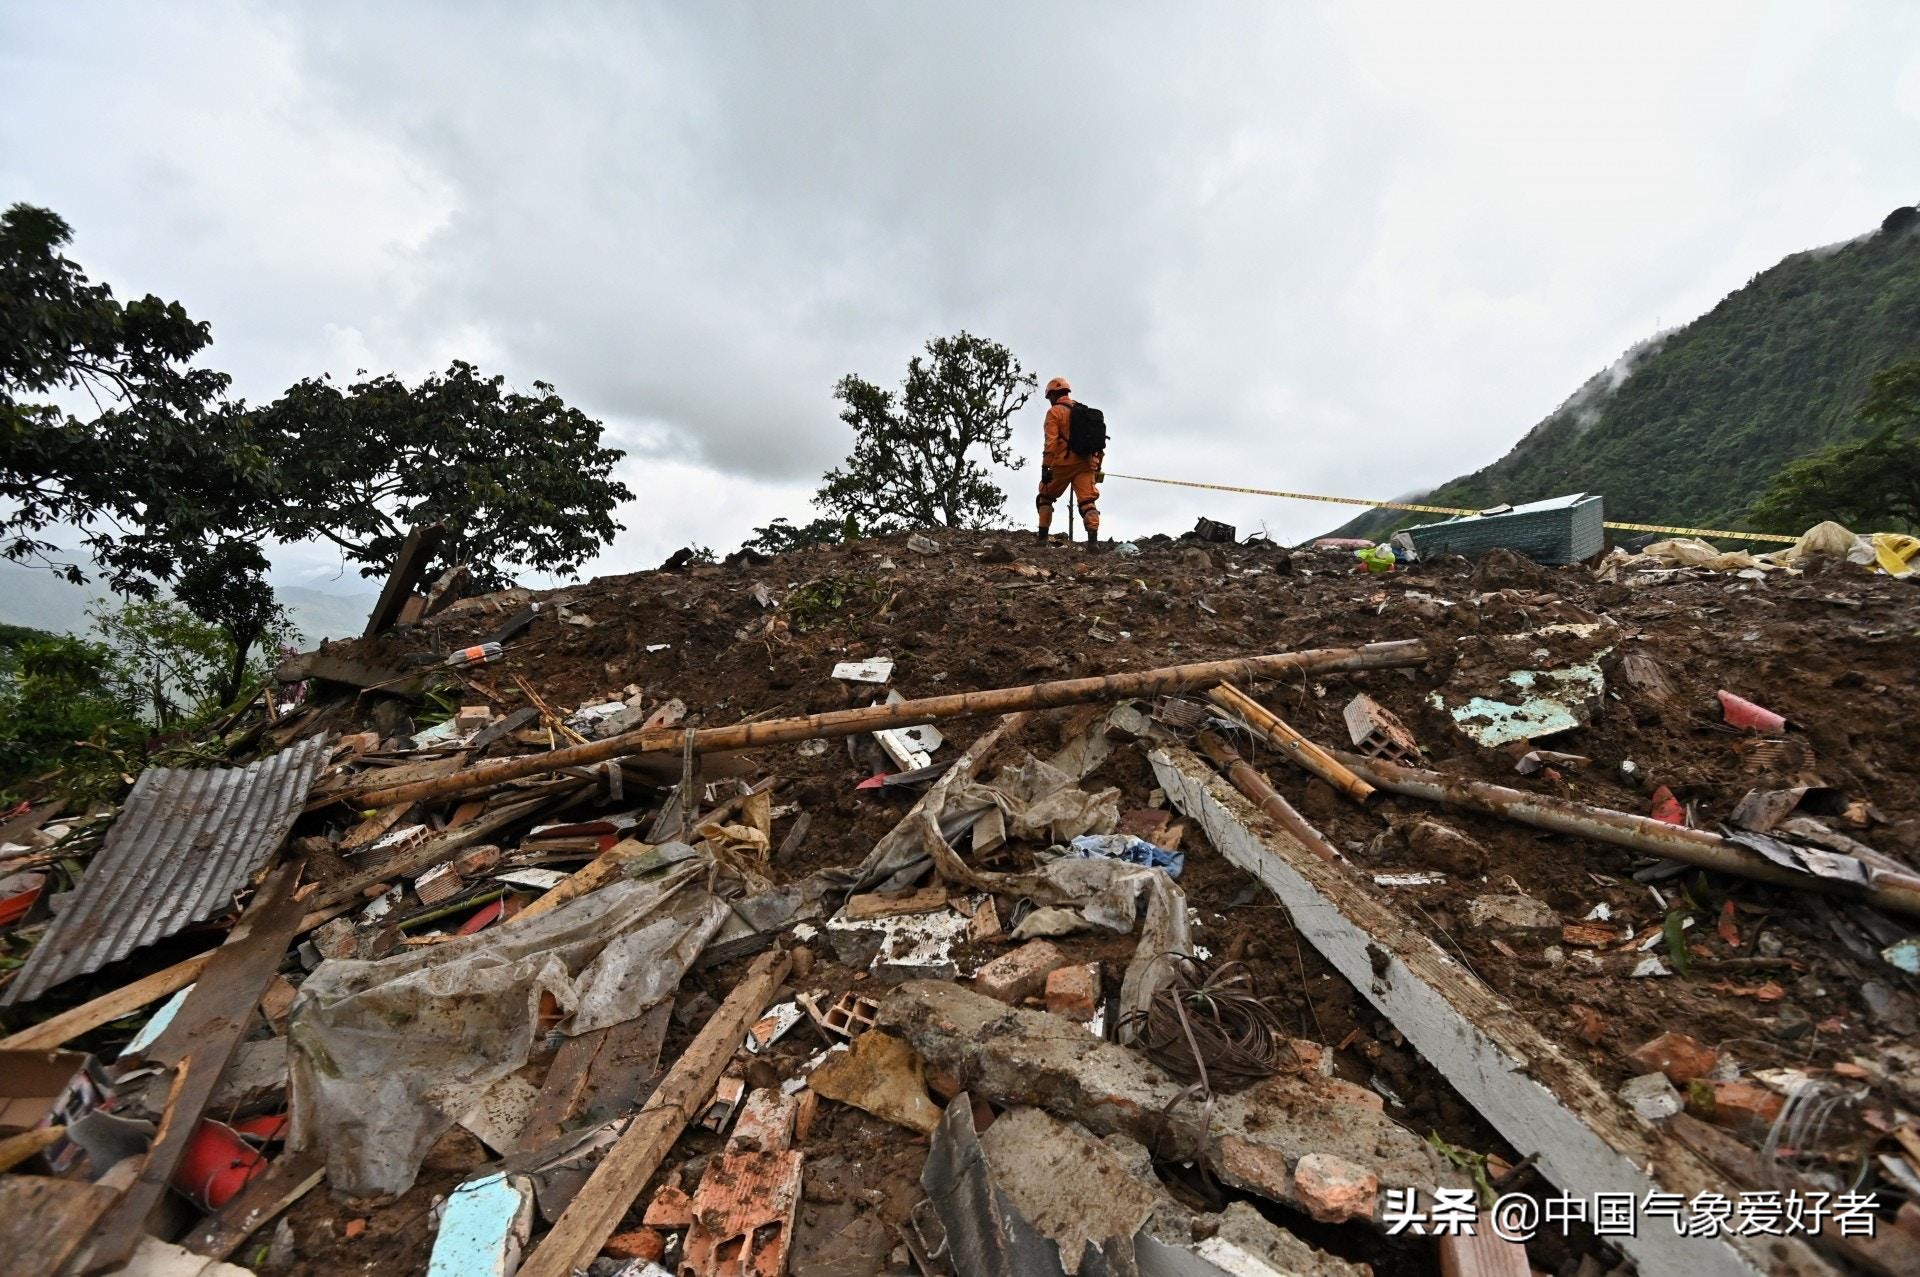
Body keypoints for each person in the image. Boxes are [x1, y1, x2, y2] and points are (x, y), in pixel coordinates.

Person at [1035, 376, 1101, 545]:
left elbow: (1051, 443)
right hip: (1086, 463)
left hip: (1063, 464)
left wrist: (1045, 467)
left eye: (1049, 397)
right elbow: (1097, 441)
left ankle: (1042, 539)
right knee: (1087, 502)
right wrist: (1097, 465)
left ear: (1052, 395)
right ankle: (1093, 542)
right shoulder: (1082, 410)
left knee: (1045, 496)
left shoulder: (1054, 412)